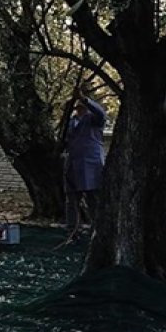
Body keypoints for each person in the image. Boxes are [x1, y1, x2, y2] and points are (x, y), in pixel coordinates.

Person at [59, 86, 107, 237]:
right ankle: (72, 230)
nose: (79, 108)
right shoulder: (70, 122)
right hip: (73, 164)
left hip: (91, 164)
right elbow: (64, 140)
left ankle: (97, 230)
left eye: (82, 104)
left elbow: (101, 114)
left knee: (93, 198)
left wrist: (84, 98)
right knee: (71, 200)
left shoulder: (94, 120)